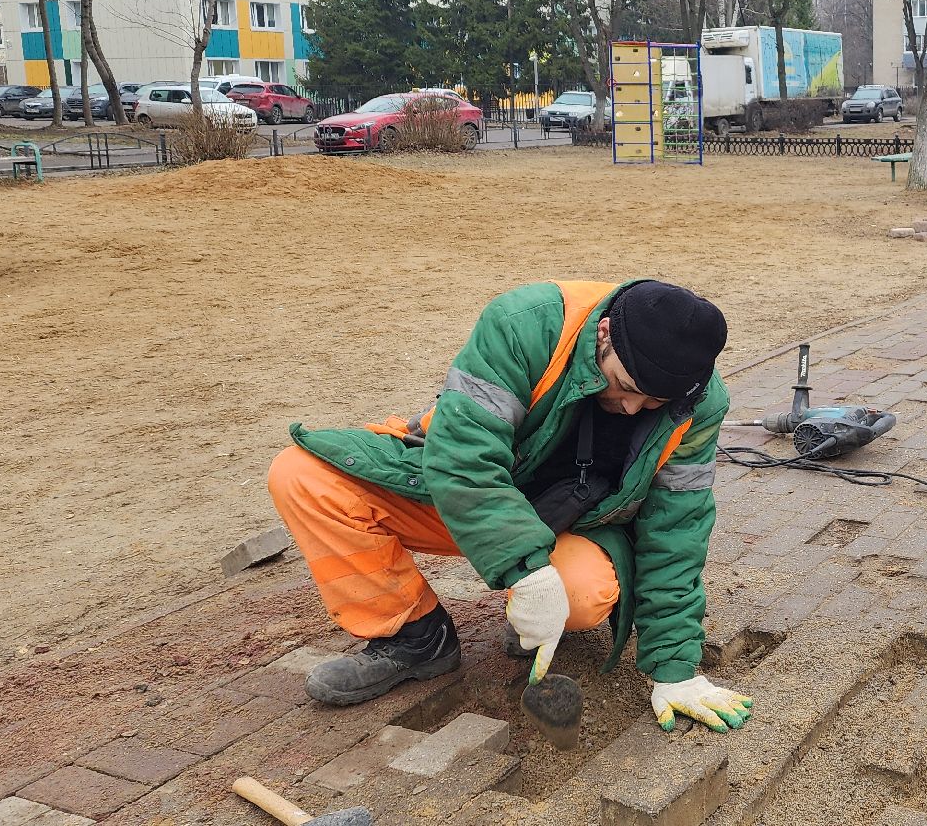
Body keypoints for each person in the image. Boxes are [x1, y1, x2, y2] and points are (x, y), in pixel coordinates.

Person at [266, 279, 754, 733]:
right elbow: (464, 462)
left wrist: (675, 669)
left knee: (582, 596)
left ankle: (535, 615)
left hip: (574, 522)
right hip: (463, 494)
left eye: (652, 403)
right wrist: (527, 573)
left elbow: (677, 530)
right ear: (603, 335)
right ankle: (415, 636)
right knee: (302, 477)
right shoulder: (526, 324)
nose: (630, 408)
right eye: (624, 387)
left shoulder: (698, 403)